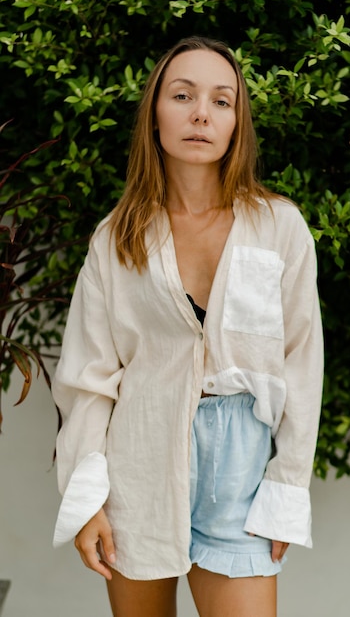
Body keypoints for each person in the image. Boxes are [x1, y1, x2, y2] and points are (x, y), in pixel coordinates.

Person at [52, 35, 324, 617]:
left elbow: (301, 363)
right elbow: (89, 377)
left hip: (241, 474)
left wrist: (285, 488)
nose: (201, 112)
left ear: (235, 124)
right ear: (154, 114)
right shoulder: (116, 238)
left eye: (221, 101)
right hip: (138, 464)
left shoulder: (279, 226)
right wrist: (87, 499)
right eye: (183, 95)